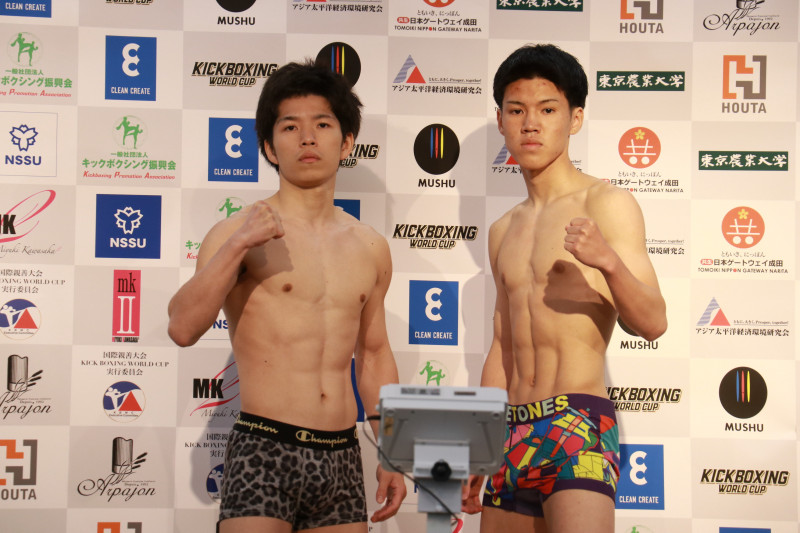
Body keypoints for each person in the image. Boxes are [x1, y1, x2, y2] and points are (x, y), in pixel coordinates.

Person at [167, 60, 407, 533]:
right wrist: (238, 246)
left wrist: (392, 452)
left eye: (323, 125)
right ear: (268, 147)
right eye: (290, 127)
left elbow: (375, 354)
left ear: (347, 142)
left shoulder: (371, 246)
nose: (308, 138)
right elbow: (182, 327)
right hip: (264, 447)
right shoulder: (235, 232)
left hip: (341, 454)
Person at [462, 44, 667, 532]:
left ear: (575, 119)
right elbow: (502, 346)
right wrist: (483, 441)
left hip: (578, 421)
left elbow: (654, 322)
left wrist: (607, 262)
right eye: (517, 110)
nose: (531, 124)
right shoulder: (502, 230)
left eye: (548, 110)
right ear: (501, 121)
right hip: (513, 430)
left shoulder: (606, 202)